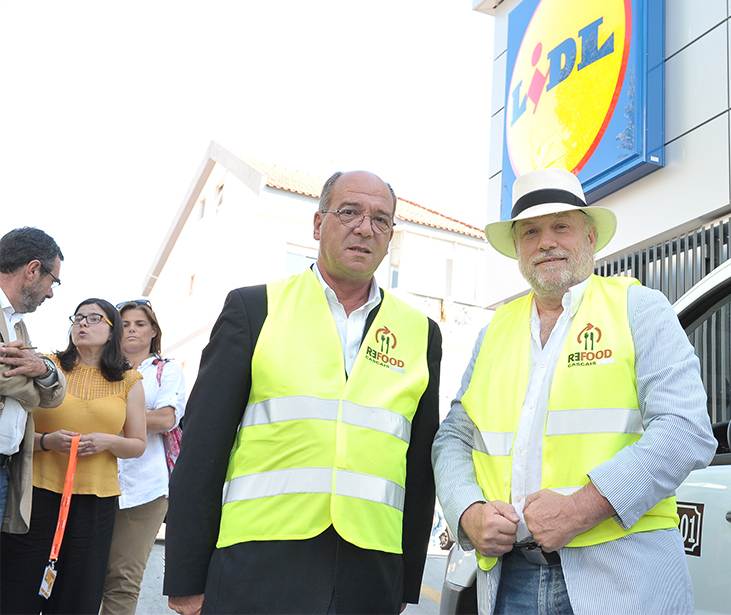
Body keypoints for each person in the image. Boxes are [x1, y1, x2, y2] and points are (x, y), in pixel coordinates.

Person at [432, 168, 717, 615]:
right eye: (530, 232)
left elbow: (685, 430)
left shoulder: (638, 308)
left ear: (590, 236)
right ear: (518, 249)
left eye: (561, 226)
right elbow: (453, 438)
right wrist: (468, 512)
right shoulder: (494, 333)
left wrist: (580, 509)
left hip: (623, 579)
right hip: (510, 580)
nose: (546, 242)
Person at [164, 170, 441, 614]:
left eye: (380, 219)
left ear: (390, 237)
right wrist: (187, 575)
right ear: (317, 224)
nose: (364, 228)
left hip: (370, 573)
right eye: (349, 212)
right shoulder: (255, 309)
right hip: (257, 564)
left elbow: (419, 465)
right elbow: (202, 447)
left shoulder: (420, 333)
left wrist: (405, 583)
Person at [0, 298, 147, 614]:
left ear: (112, 332)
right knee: (17, 588)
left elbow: (137, 445)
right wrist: (48, 441)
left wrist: (109, 442)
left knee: (79, 595)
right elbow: (16, 432)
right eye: (78, 317)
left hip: (96, 500)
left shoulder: (130, 380)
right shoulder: (46, 367)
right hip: (36, 493)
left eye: (94, 318)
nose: (82, 323)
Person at [101, 300, 185, 615]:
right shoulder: (100, 369)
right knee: (82, 572)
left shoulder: (167, 370)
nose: (132, 330)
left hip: (147, 488)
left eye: (140, 324)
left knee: (123, 578)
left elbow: (166, 418)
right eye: (125, 324)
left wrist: (108, 420)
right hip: (96, 480)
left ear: (153, 331)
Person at [0, 227, 66, 536]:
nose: (51, 293)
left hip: (6, 469)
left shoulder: (18, 325)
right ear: (33, 269)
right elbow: (5, 378)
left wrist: (42, 369)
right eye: (53, 281)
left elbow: (55, 396)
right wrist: (34, 392)